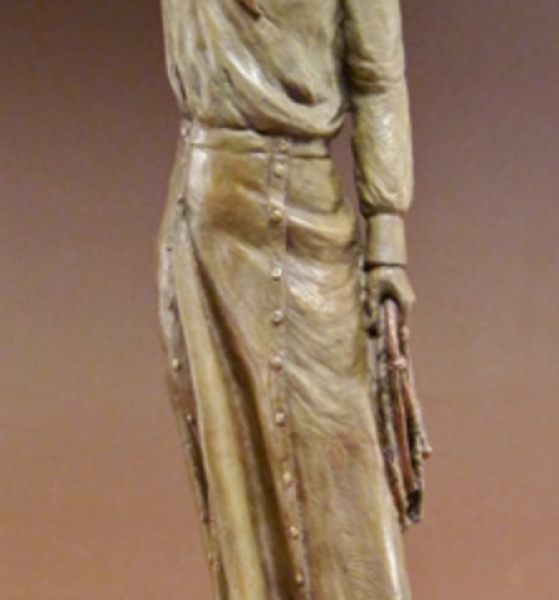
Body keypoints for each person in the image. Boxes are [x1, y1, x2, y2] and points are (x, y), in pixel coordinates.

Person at [157, 0, 418, 597]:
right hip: (203, 213)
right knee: (237, 495)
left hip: (304, 214)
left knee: (344, 471)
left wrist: (387, 241)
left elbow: (379, 76)